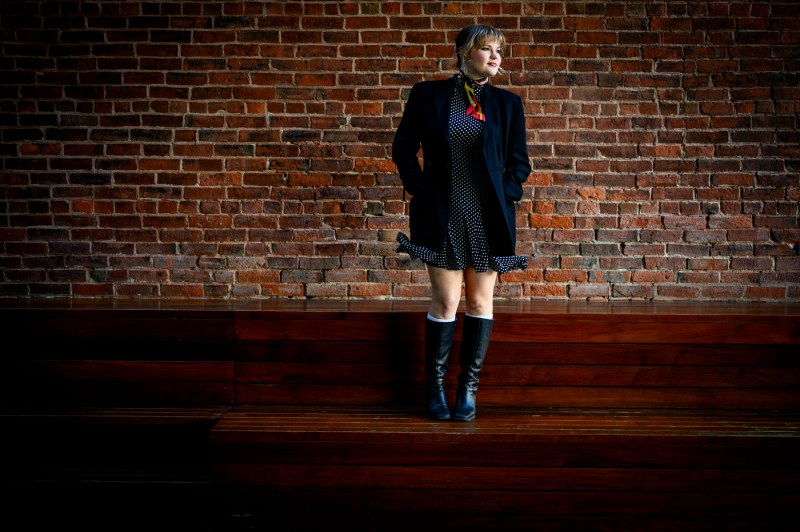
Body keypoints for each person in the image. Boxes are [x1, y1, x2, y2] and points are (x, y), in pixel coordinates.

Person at [392, 24, 531, 421]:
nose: (495, 57)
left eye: (498, 51)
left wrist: (506, 197)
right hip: (443, 211)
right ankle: (434, 391)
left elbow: (519, 163)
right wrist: (419, 187)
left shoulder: (507, 104)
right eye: (486, 50)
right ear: (466, 52)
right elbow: (403, 146)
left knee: (479, 301)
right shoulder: (428, 95)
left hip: (488, 216)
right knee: (447, 301)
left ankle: (466, 391)